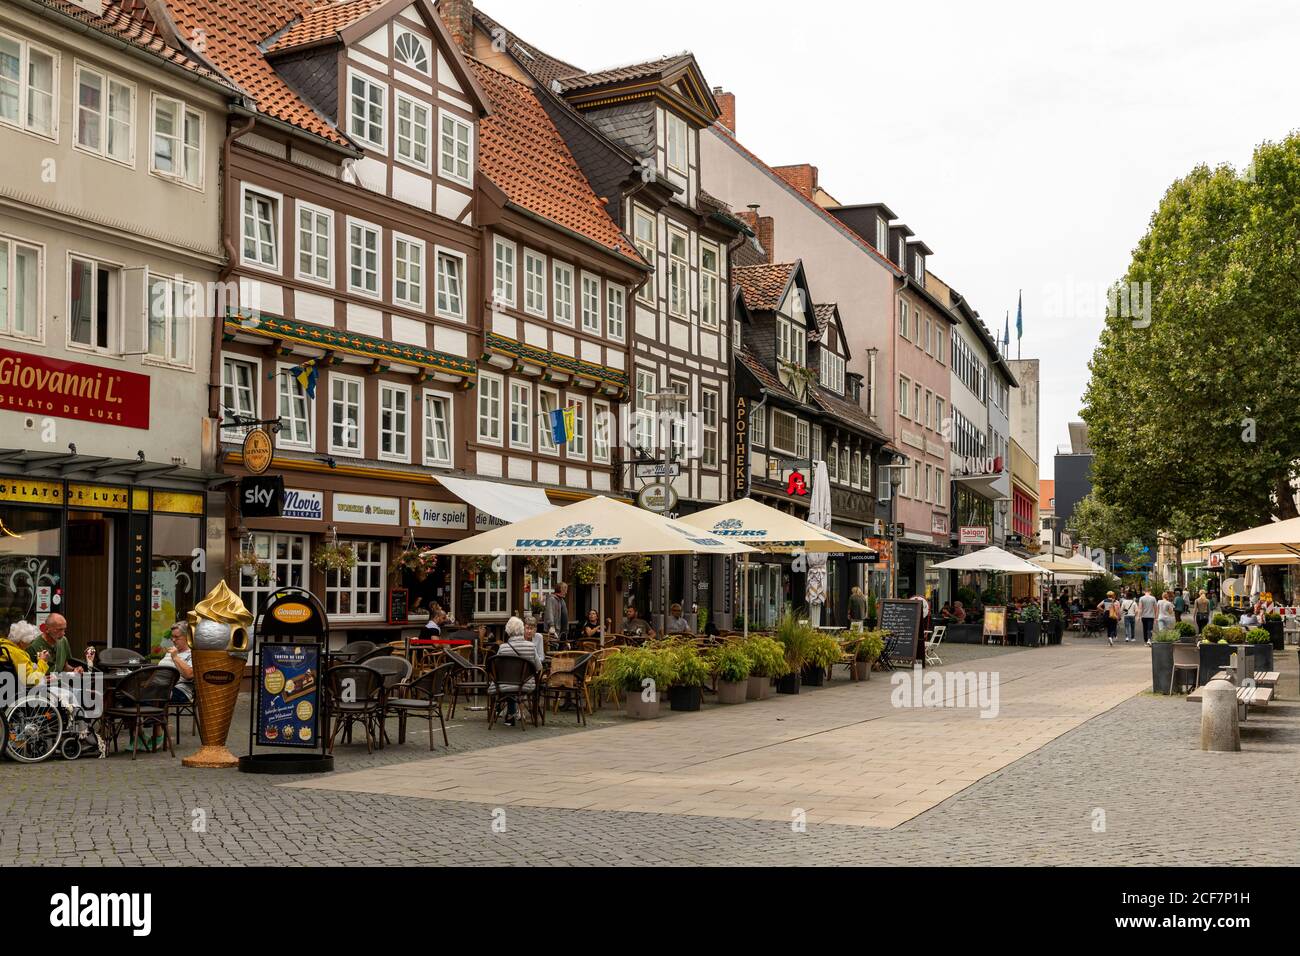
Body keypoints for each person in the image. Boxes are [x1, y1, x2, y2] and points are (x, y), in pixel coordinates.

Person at [493, 616, 544, 726]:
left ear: (508, 631)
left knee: (508, 681)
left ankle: (505, 711)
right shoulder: (531, 647)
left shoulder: (503, 648)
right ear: (522, 629)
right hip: (526, 684)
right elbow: (539, 667)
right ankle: (510, 713)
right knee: (514, 682)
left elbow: (496, 667)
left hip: (505, 685)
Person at [1, 621, 49, 686]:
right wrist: (43, 661)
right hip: (16, 692)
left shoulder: (5, 647)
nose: (30, 645)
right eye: (30, 642)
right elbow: (31, 680)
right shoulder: (17, 654)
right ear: (22, 642)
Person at [159, 621, 195, 702]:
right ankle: (155, 714)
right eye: (172, 637)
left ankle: (156, 714)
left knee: (143, 697)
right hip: (160, 686)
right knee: (129, 696)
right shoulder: (171, 650)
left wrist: (175, 657)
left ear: (187, 637)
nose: (173, 640)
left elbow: (189, 675)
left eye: (177, 637)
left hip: (179, 690)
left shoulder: (193, 654)